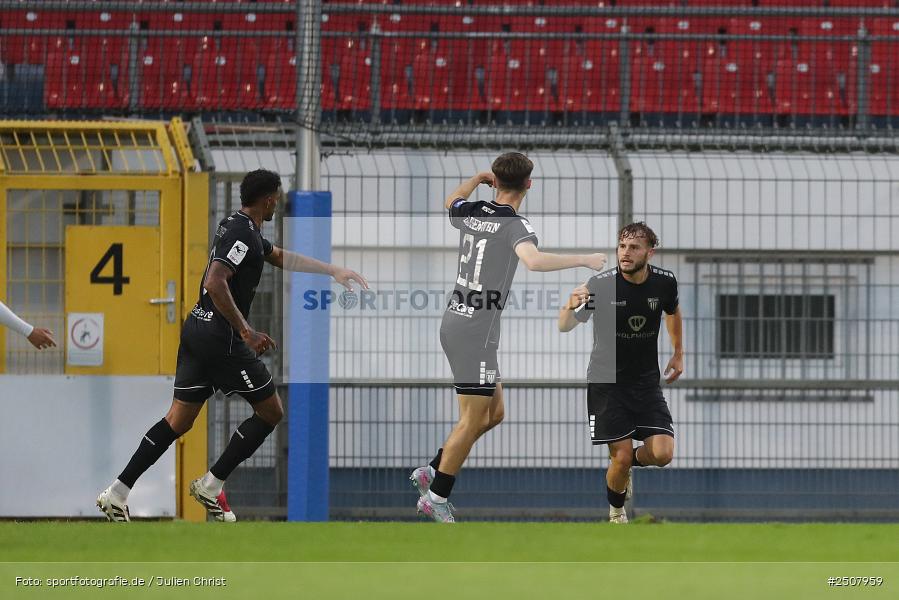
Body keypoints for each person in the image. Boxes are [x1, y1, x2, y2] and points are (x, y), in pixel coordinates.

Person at [97, 169, 368, 522]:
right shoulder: (243, 232)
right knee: (271, 412)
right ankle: (211, 485)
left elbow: (280, 256)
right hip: (222, 339)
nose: (277, 204)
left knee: (178, 420)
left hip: (198, 330)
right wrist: (245, 331)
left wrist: (332, 270)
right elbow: (215, 281)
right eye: (276, 198)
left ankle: (117, 493)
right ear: (269, 198)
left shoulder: (242, 227)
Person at [410, 152, 607, 523]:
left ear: (495, 182)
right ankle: (436, 496)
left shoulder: (474, 212)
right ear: (529, 184)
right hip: (475, 332)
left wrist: (474, 178)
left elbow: (450, 201)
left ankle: (434, 468)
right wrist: (583, 259)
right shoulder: (515, 224)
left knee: (494, 413)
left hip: (460, 322)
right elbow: (532, 261)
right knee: (471, 419)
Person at [558, 222, 683, 524]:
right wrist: (569, 304)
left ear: (649, 252)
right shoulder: (600, 285)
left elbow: (672, 312)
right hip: (607, 381)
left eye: (634, 247)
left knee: (663, 454)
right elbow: (565, 325)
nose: (625, 253)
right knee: (622, 455)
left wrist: (678, 353)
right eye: (622, 246)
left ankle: (624, 467)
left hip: (645, 383)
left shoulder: (665, 283)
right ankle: (616, 514)